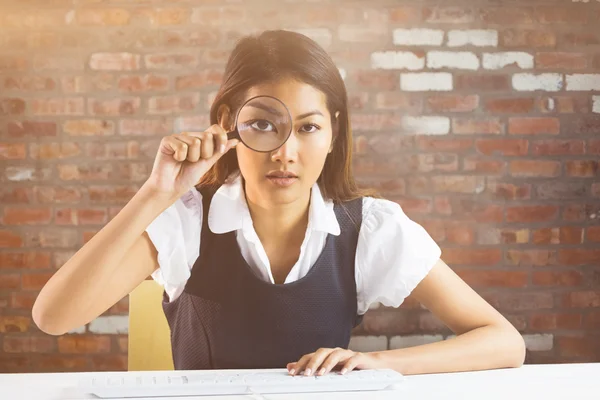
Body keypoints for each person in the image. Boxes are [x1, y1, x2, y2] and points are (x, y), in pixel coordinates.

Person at [33, 30, 525, 376]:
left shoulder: (369, 228)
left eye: (309, 127)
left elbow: (504, 341)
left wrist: (381, 362)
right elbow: (52, 318)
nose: (286, 152)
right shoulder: (185, 221)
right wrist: (158, 192)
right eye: (264, 124)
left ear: (333, 132)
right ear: (229, 122)